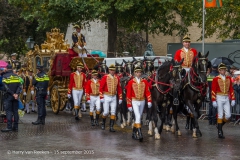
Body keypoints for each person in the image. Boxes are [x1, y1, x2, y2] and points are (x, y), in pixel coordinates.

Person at [126, 66, 152, 142]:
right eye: (137, 72)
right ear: (135, 73)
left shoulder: (144, 81)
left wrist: (149, 100)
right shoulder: (131, 82)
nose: (138, 74)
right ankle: (140, 134)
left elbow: (147, 92)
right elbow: (128, 94)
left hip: (142, 101)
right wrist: (129, 105)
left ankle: (134, 133)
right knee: (137, 115)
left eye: (140, 72)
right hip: (134, 101)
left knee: (139, 116)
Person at [212, 63, 235, 139]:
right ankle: (220, 132)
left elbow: (231, 89)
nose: (223, 71)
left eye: (224, 70)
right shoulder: (216, 79)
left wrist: (233, 99)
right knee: (220, 114)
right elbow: (213, 90)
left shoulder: (228, 78)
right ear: (219, 70)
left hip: (226, 97)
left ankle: (219, 126)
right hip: (219, 97)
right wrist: (213, 100)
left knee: (228, 115)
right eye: (222, 70)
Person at [99, 64, 122, 132]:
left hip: (114, 96)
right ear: (109, 70)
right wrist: (101, 97)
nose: (112, 71)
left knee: (113, 112)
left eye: (113, 70)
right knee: (106, 112)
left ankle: (111, 127)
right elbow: (101, 87)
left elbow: (119, 88)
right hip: (106, 96)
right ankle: (103, 123)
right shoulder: (105, 77)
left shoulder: (117, 78)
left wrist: (120, 97)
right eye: (111, 70)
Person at [1, 64, 22, 132]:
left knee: (9, 111)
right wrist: (16, 94)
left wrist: (12, 94)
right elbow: (19, 86)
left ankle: (9, 127)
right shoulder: (16, 76)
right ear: (12, 69)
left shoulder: (5, 76)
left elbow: (6, 87)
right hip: (15, 96)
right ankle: (15, 127)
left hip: (9, 96)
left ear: (6, 69)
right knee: (15, 111)